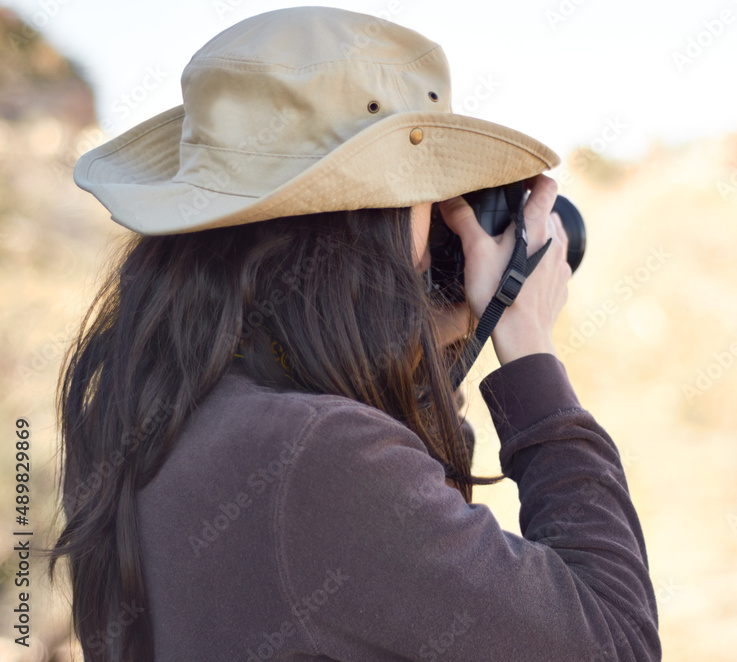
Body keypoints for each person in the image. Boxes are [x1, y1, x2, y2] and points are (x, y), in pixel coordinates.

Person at [45, 7, 660, 661]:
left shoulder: (153, 420)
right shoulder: (315, 457)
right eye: (428, 202)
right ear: (371, 225)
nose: (436, 238)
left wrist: (431, 339)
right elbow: (614, 640)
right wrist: (527, 344)